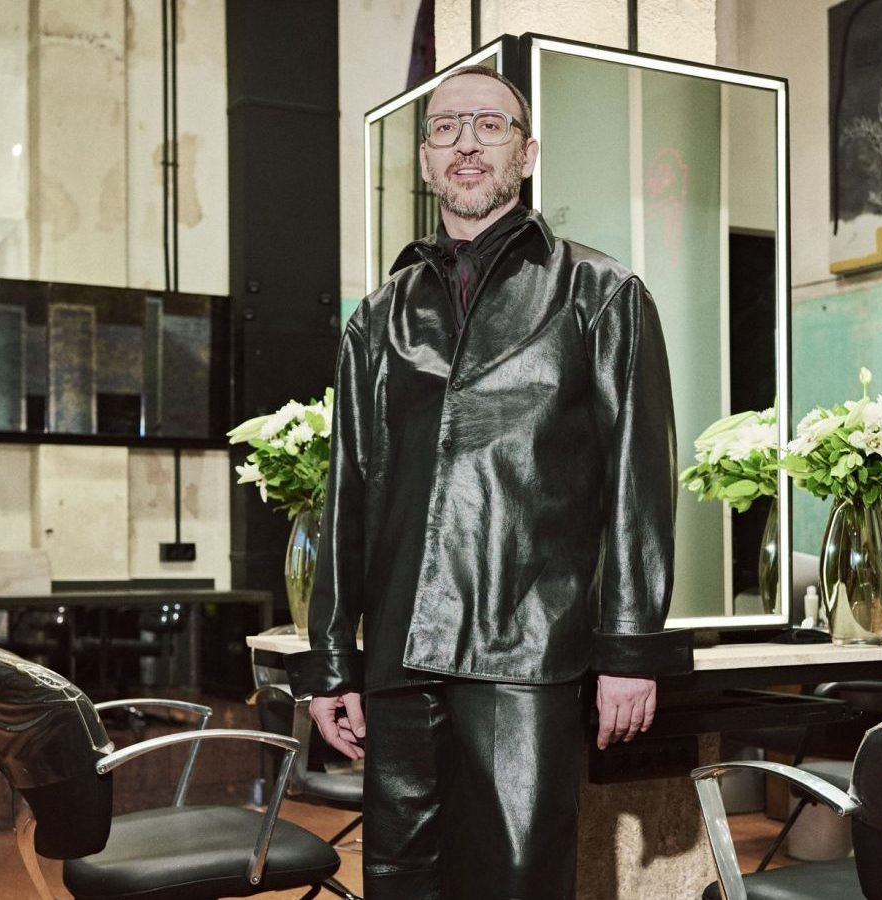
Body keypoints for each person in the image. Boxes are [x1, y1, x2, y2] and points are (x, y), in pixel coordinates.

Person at [298, 65, 690, 900]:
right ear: (425, 161)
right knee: (402, 883)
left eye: (489, 125)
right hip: (400, 662)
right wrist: (332, 661)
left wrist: (629, 649)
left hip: (527, 656)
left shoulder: (600, 294)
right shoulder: (378, 318)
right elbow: (346, 498)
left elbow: (639, 486)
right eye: (445, 129)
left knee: (518, 883)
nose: (466, 144)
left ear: (527, 152)